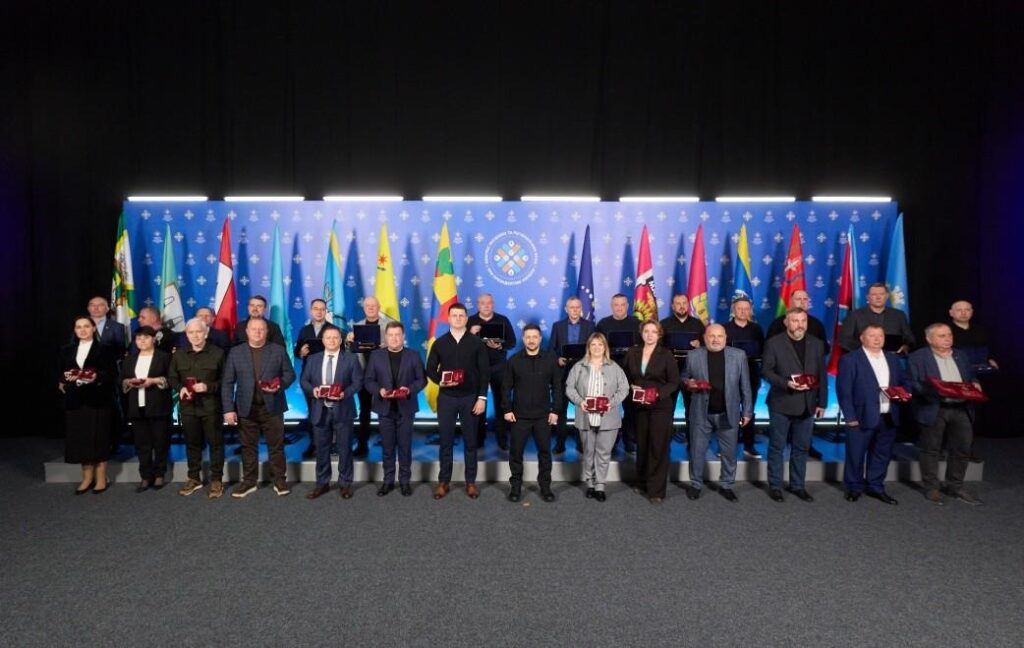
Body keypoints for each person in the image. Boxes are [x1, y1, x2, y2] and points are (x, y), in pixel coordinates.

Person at [908, 323, 984, 505]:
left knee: (962, 449)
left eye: (949, 335)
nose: (948, 339)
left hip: (961, 408)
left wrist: (975, 383)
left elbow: (970, 376)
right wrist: (937, 390)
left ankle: (955, 486)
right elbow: (913, 383)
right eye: (942, 336)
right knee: (931, 449)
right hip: (934, 407)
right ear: (929, 339)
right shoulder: (918, 357)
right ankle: (932, 488)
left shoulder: (961, 355)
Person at [222, 318, 296, 498]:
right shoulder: (236, 352)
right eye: (254, 329)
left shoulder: (278, 350)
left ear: (266, 332)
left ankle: (279, 480)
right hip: (246, 408)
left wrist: (279, 384)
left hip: (273, 407)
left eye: (261, 329)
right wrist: (228, 409)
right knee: (248, 447)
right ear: (247, 331)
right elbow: (227, 382)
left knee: (276, 446)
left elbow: (290, 374)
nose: (257, 332)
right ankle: (249, 482)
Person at [760, 308, 828, 502]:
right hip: (782, 402)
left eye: (803, 321)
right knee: (777, 447)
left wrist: (822, 402)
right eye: (795, 321)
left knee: (802, 447)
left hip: (808, 403)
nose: (800, 325)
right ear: (786, 322)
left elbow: (821, 374)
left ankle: (798, 485)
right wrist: (785, 383)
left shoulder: (816, 344)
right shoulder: (774, 343)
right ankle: (775, 486)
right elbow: (766, 371)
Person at [836, 324, 908, 504]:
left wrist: (907, 393)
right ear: (862, 338)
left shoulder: (893, 359)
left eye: (880, 336)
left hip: (889, 415)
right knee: (856, 454)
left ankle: (875, 486)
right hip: (860, 416)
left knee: (882, 454)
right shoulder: (850, 359)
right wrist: (850, 416)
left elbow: (904, 381)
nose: (877, 339)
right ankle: (854, 487)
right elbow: (844, 391)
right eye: (872, 336)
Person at [425, 303, 490, 499]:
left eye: (461, 315)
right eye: (454, 315)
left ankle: (471, 482)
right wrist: (442, 381)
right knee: (446, 442)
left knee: (471, 442)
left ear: (466, 318)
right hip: (447, 398)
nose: (458, 318)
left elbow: (484, 372)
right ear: (449, 318)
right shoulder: (439, 343)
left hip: (470, 398)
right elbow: (430, 369)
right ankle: (444, 482)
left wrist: (482, 398)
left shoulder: (477, 343)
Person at [681, 324, 753, 502]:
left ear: (726, 338)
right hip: (701, 412)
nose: (715, 340)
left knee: (729, 453)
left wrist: (747, 411)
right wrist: (688, 383)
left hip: (728, 412)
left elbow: (745, 385)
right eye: (711, 336)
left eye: (719, 336)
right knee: (697, 451)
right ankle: (696, 484)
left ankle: (727, 485)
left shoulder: (739, 355)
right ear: (705, 338)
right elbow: (684, 377)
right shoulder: (693, 355)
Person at [565, 333, 629, 502]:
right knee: (588, 452)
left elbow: (624, 388)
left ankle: (600, 485)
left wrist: (611, 403)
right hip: (586, 416)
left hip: (608, 417)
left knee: (603, 453)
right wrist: (580, 402)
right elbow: (569, 388)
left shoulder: (614, 367)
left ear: (605, 347)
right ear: (588, 347)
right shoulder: (578, 367)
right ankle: (590, 483)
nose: (597, 348)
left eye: (600, 344)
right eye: (593, 344)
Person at [363, 322, 426, 497]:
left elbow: (422, 380)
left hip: (406, 408)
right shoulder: (376, 355)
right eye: (391, 335)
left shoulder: (413, 355)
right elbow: (368, 380)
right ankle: (388, 481)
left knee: (405, 447)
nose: (394, 338)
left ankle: (404, 482)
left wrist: (409, 390)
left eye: (398, 335)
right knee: (388, 448)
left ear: (403, 336)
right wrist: (379, 391)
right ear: (386, 337)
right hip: (385, 409)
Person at [502, 324, 562, 503]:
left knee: (545, 454)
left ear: (540, 339)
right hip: (519, 416)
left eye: (535, 337)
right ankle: (515, 488)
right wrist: (507, 409)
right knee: (515, 454)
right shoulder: (513, 361)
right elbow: (505, 387)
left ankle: (545, 487)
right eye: (528, 337)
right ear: (523, 339)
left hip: (543, 416)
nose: (531, 340)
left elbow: (557, 387)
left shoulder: (550, 360)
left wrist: (555, 411)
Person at [300, 326, 362, 499]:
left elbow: (358, 382)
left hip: (343, 409)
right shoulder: (313, 359)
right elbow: (304, 380)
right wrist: (313, 391)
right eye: (328, 338)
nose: (332, 341)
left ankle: (345, 484)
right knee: (321, 449)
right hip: (320, 410)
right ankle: (322, 483)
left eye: (335, 338)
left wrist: (345, 393)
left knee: (345, 448)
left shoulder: (351, 358)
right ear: (323, 340)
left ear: (341, 340)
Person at [623, 320, 680, 503]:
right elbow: (624, 376)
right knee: (642, 445)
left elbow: (674, 382)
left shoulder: (666, 354)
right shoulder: (632, 353)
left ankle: (656, 491)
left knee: (658, 447)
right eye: (646, 331)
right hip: (639, 406)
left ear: (659, 334)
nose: (649, 335)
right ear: (641, 333)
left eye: (653, 331)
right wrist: (630, 386)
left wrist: (657, 394)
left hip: (660, 407)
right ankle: (642, 482)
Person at [169, 317, 226, 498]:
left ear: (206, 333)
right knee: (192, 444)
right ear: (186, 335)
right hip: (188, 407)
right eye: (191, 332)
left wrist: (208, 386)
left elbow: (226, 381)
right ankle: (194, 477)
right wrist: (180, 388)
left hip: (211, 406)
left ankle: (216, 479)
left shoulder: (218, 353)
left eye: (199, 332)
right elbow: (172, 377)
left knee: (215, 444)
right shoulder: (178, 355)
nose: (195, 335)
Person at [59, 316, 117, 495]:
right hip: (75, 401)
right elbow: (60, 372)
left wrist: (96, 377)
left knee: (99, 438)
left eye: (86, 326)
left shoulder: (105, 349)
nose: (82, 330)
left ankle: (101, 477)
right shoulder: (66, 350)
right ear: (74, 330)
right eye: (78, 327)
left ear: (93, 328)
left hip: (97, 400)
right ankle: (86, 478)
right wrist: (63, 381)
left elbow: (112, 374)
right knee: (81, 439)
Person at [120, 326, 174, 492]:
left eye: (146, 337)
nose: (142, 341)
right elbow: (121, 380)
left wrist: (154, 381)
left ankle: (159, 474)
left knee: (160, 442)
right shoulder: (130, 359)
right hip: (137, 407)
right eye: (138, 338)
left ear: (154, 339)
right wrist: (128, 382)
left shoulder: (164, 357)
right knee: (142, 444)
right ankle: (145, 476)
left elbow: (172, 379)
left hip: (158, 405)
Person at [547, 296, 595, 454]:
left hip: (583, 373)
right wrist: (557, 359)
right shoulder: (557, 326)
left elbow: (595, 348)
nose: (574, 310)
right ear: (566, 309)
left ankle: (581, 443)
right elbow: (551, 349)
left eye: (577, 307)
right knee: (560, 409)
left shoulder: (590, 326)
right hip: (562, 373)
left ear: (581, 308)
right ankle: (560, 443)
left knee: (582, 410)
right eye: (571, 307)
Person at [346, 296, 393, 457]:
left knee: (386, 410)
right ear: (364, 308)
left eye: (374, 305)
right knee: (364, 411)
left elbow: (397, 347)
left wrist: (385, 346)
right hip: (363, 374)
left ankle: (389, 443)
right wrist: (348, 341)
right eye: (367, 306)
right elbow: (350, 352)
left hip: (383, 376)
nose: (371, 308)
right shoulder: (357, 326)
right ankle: (362, 445)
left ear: (379, 307)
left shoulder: (389, 326)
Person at [468, 293, 516, 450]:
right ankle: (478, 440)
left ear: (493, 304)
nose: (486, 306)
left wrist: (500, 345)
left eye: (489, 303)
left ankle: (502, 440)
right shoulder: (470, 321)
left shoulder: (503, 320)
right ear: (478, 305)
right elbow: (461, 345)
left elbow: (512, 342)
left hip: (499, 367)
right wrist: (470, 333)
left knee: (502, 403)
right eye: (483, 303)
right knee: (478, 404)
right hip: (476, 368)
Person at [596, 293, 642, 453]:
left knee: (631, 409)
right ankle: (612, 441)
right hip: (609, 372)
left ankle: (630, 440)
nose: (619, 308)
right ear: (611, 306)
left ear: (627, 306)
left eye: (623, 305)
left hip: (632, 372)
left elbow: (644, 348)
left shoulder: (637, 324)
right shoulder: (603, 324)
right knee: (610, 408)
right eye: (616, 305)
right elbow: (596, 347)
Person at [723, 297, 765, 459]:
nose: (743, 311)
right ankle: (726, 446)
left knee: (749, 410)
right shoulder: (725, 328)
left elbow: (763, 351)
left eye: (746, 309)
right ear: (733, 310)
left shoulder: (757, 329)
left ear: (750, 311)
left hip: (752, 375)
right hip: (730, 375)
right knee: (729, 411)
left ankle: (749, 445)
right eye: (740, 308)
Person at [659, 293, 705, 440]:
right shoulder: (663, 324)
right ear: (672, 306)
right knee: (667, 408)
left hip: (691, 372)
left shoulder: (698, 324)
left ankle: (692, 441)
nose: (681, 306)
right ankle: (665, 440)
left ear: (688, 305)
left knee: (692, 408)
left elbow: (707, 349)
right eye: (678, 303)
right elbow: (658, 349)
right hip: (669, 372)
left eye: (684, 303)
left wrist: (700, 345)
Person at [295, 298, 331, 458]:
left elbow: (342, 352)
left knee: (329, 411)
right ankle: (314, 443)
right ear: (311, 311)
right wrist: (300, 353)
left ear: (325, 311)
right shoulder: (304, 330)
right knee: (313, 412)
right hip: (309, 377)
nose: (319, 312)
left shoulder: (333, 329)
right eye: (316, 308)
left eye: (322, 309)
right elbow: (296, 352)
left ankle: (329, 443)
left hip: (329, 376)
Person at [838, 283, 915, 353]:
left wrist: (906, 346)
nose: (878, 297)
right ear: (868, 297)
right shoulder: (854, 315)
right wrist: (865, 351)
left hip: (893, 357)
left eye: (881, 294)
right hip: (862, 358)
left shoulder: (899, 315)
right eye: (874, 294)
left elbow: (909, 338)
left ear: (887, 296)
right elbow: (844, 340)